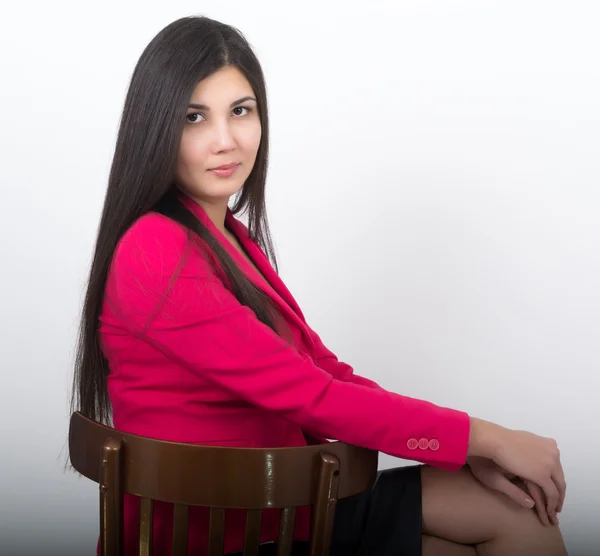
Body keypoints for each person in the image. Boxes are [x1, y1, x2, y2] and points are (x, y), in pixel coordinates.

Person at [70, 15, 569, 556]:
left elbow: (325, 372)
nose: (225, 141)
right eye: (194, 118)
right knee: (507, 522)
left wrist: (462, 448)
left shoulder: (228, 237)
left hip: (291, 506)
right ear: (156, 128)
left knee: (516, 513)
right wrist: (487, 438)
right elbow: (314, 397)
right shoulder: (155, 251)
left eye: (241, 111)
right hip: (226, 529)